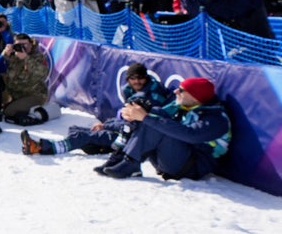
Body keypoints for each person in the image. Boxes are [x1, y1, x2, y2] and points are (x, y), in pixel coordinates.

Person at [20, 62, 172, 157]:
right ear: (128, 79)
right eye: (133, 78)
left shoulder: (150, 95)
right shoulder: (130, 92)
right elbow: (124, 119)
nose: (137, 81)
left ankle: (40, 147)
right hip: (126, 131)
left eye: (141, 78)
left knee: (81, 136)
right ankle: (90, 144)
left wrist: (106, 125)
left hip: (134, 139)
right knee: (76, 130)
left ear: (146, 78)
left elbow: (133, 123)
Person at [98, 76, 232, 180]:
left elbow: (191, 135)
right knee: (153, 114)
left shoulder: (216, 119)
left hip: (190, 167)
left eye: (182, 90)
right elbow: (154, 115)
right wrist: (118, 120)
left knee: (155, 121)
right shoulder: (183, 106)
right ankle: (120, 158)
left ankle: (130, 163)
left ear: (195, 97)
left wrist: (145, 117)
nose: (175, 91)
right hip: (171, 157)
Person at [0, 33, 52, 124]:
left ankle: (37, 113)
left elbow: (43, 73)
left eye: (25, 44)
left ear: (31, 44)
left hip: (34, 95)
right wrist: (4, 55)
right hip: (16, 95)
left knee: (8, 112)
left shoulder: (38, 56)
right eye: (18, 45)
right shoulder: (13, 56)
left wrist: (26, 58)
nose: (22, 47)